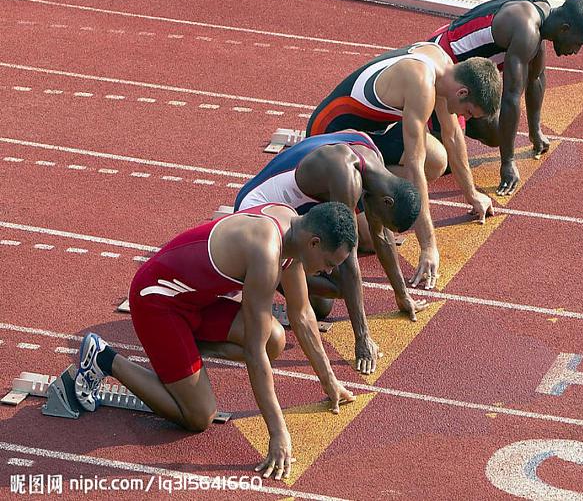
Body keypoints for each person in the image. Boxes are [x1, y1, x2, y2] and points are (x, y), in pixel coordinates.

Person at [74, 202, 357, 481]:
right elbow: (254, 353)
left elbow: (303, 313)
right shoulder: (266, 253)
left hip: (195, 303)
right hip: (158, 303)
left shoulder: (293, 229)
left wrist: (329, 380)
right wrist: (278, 433)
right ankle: (104, 358)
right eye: (330, 263)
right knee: (199, 416)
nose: (329, 272)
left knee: (275, 339)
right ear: (314, 242)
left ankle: (180, 355)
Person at [306, 42, 501, 290]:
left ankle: (368, 182)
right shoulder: (421, 83)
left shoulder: (445, 67)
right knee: (364, 238)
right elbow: (413, 166)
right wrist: (428, 246)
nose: (468, 119)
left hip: (369, 132)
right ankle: (358, 187)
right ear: (462, 93)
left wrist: (472, 194)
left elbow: (452, 136)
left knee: (437, 159)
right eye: (470, 113)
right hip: (329, 135)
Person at [234, 130, 425, 375]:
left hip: (290, 215)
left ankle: (284, 281)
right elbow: (348, 258)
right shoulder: (346, 176)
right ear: (387, 202)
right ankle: (260, 282)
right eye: (386, 219)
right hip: (256, 213)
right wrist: (362, 338)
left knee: (328, 300)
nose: (380, 223)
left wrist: (402, 295)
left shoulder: (372, 159)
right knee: (335, 292)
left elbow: (380, 235)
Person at [429, 0, 583, 195]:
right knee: (445, 162)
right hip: (442, 67)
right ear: (564, 29)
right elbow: (511, 98)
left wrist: (535, 131)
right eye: (577, 43)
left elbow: (536, 76)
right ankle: (414, 122)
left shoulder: (541, 13)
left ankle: (443, 122)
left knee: (498, 133)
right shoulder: (526, 31)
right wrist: (507, 162)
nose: (575, 51)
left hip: (463, 74)